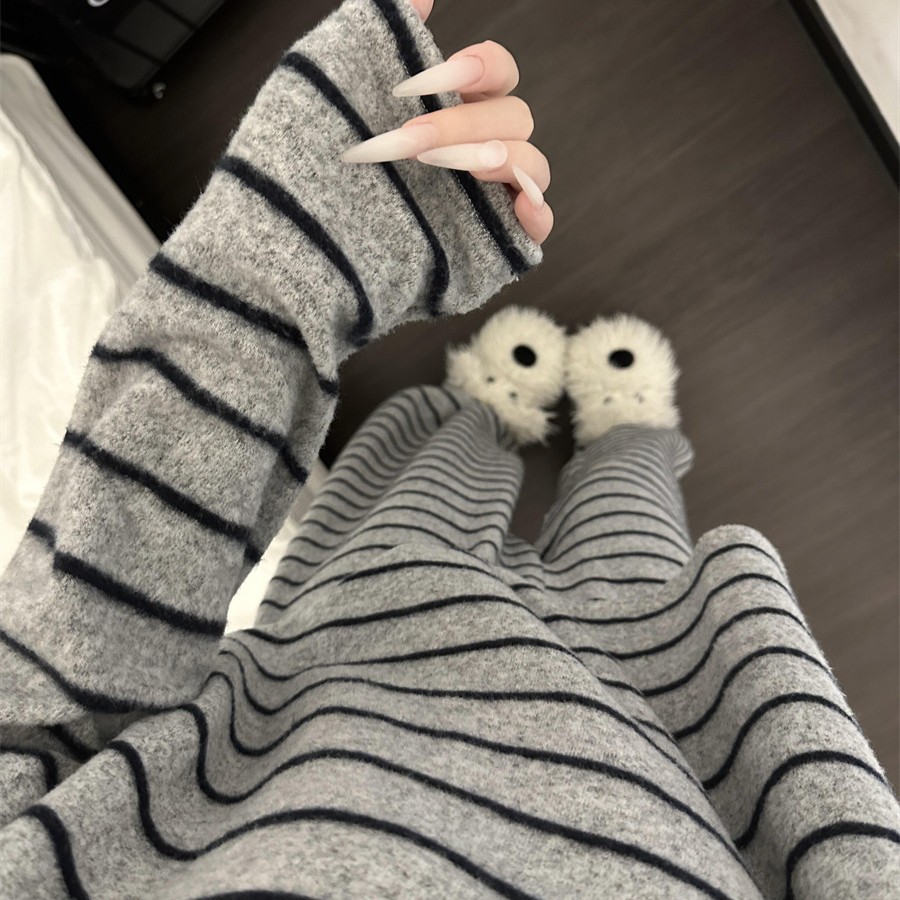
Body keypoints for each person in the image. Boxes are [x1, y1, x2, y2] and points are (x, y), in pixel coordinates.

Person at [0, 0, 897, 896]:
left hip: (340, 661)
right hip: (679, 760)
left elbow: (48, 705)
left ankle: (492, 409)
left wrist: (283, 268)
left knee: (426, 487)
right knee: (638, 542)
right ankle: (627, 434)